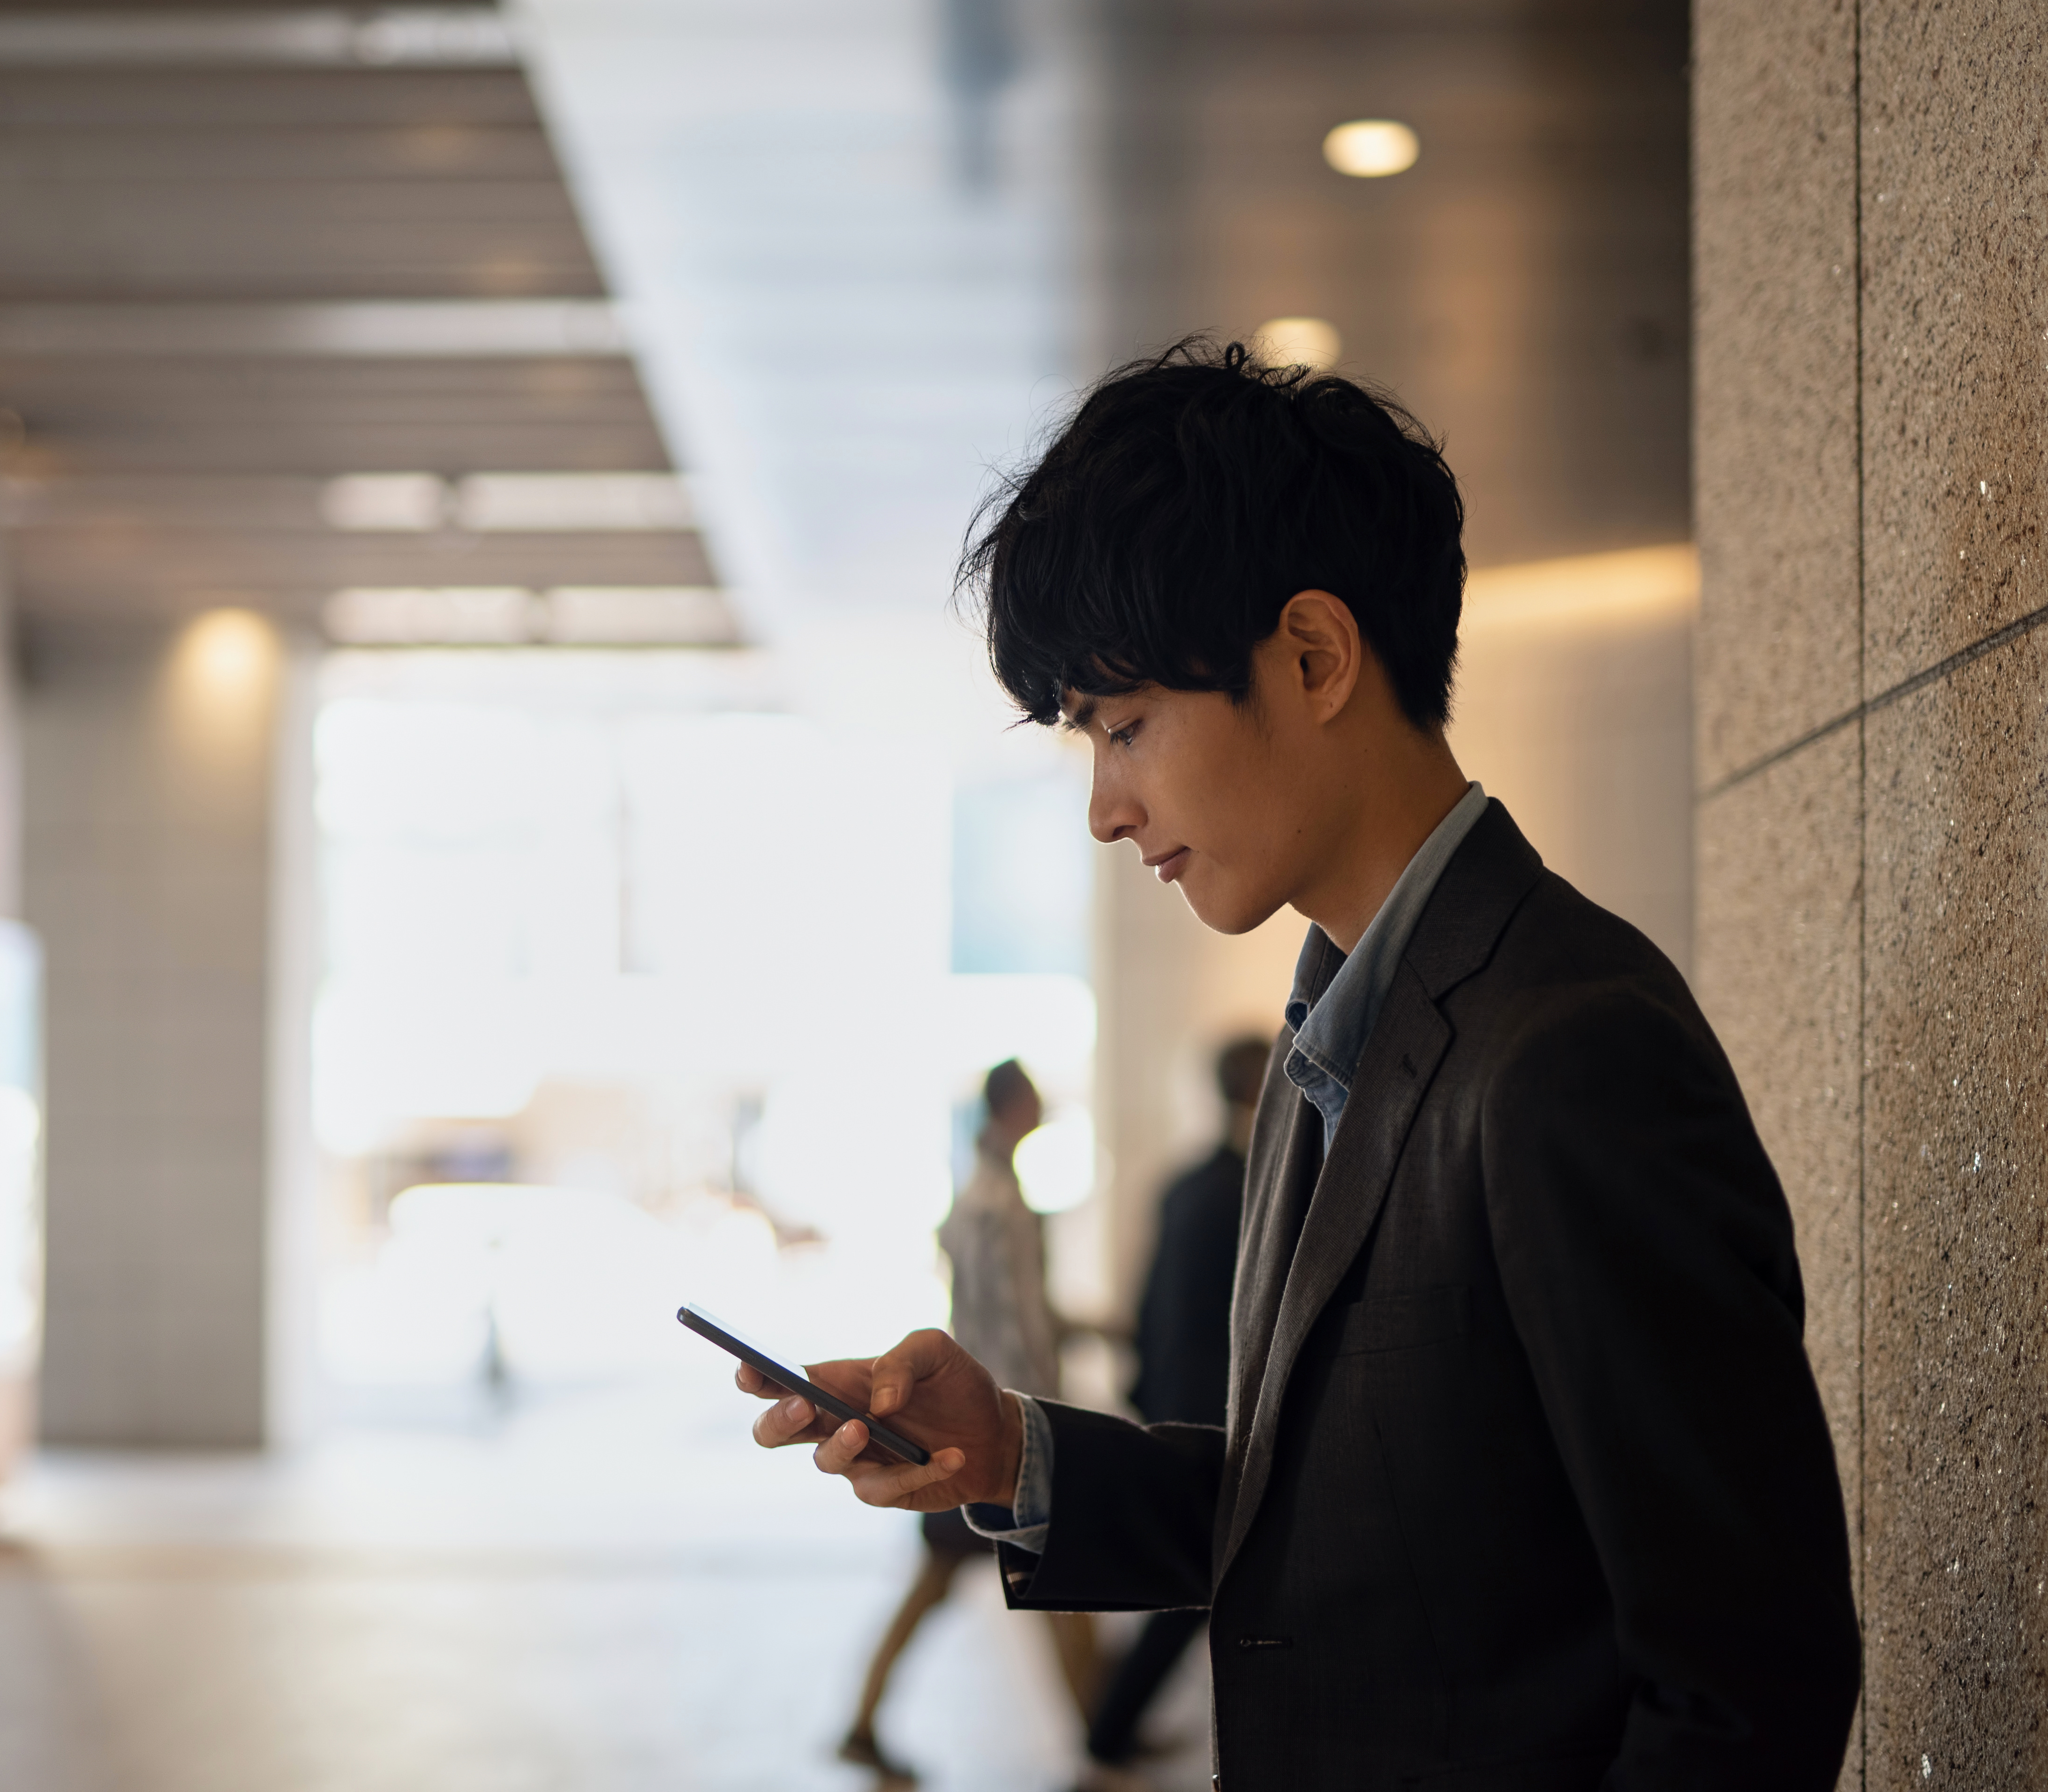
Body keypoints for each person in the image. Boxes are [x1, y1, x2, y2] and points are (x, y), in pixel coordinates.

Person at [740, 341, 1860, 1789]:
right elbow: (1339, 1533)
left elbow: (1747, 1681)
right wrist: (1016, 1451)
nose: (1104, 807)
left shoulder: (1572, 1053)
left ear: (1316, 657)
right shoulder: (1340, 1037)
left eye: (1126, 724)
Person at [836, 1059, 1101, 1780]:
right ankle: (1107, 1735)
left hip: (973, 1426)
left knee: (952, 1585)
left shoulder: (975, 1196)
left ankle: (863, 1722)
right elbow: (1019, 1331)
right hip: (1001, 1429)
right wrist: (1047, 1421)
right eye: (1037, 1103)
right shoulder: (1002, 1206)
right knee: (1059, 1579)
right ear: (1015, 1107)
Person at [1077, 1033, 1268, 1786]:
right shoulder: (1260, 1185)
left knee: (1195, 1580)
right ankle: (1108, 1731)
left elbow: (1151, 1303)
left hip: (1179, 1405)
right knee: (1198, 1580)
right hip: (1224, 1413)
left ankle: (1110, 1731)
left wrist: (1146, 1390)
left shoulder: (1187, 1184)